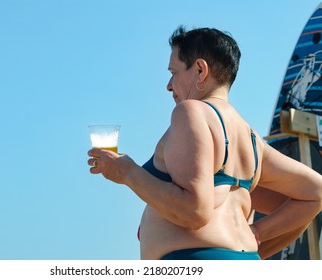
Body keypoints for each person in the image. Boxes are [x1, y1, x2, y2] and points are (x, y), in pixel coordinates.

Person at [87, 26, 322, 260]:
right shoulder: (251, 141)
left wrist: (128, 172)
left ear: (200, 70)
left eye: (174, 72)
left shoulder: (191, 112)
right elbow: (315, 192)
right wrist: (258, 235)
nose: (169, 85)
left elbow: (195, 212)